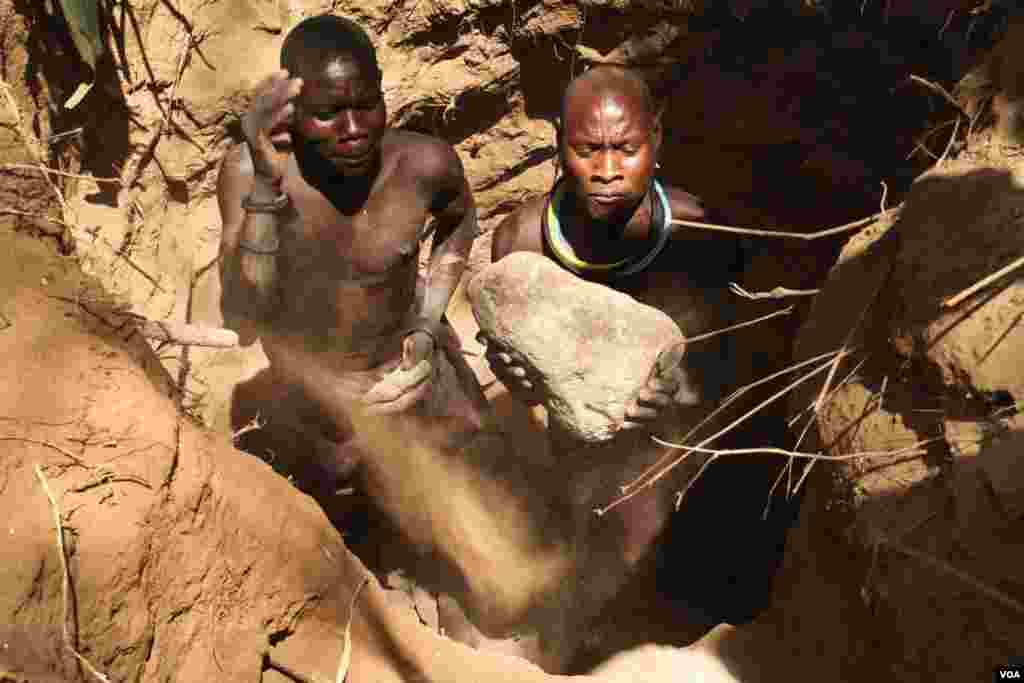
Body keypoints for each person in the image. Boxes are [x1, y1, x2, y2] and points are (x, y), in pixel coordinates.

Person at [482, 65, 792, 629]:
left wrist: (687, 387)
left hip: (690, 440)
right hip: (583, 455)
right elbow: (512, 348)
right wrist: (514, 374)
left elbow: (748, 350)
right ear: (558, 145)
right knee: (589, 586)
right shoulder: (524, 240)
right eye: (586, 150)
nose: (606, 171)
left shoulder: (698, 232)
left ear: (657, 140)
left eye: (625, 149)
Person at [218, 14, 489, 492]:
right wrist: (266, 182)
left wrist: (427, 327)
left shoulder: (424, 164)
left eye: (367, 105)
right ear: (291, 110)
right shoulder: (251, 172)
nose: (353, 129)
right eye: (327, 114)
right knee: (318, 509)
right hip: (311, 391)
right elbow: (242, 313)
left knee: (480, 467)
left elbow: (459, 223)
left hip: (407, 373)